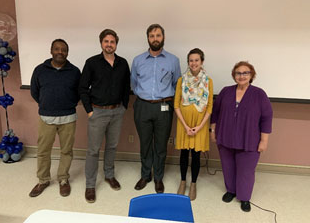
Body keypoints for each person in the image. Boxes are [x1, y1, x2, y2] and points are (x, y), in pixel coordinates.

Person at [210, 61, 273, 212]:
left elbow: (267, 117)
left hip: (249, 140)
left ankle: (244, 198)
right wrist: (213, 131)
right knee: (228, 166)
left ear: (251, 75)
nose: (242, 76)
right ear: (234, 75)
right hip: (225, 137)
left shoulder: (259, 94)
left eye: (245, 73)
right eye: (238, 73)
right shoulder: (226, 91)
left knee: (246, 171)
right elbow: (216, 113)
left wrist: (264, 141)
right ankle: (231, 191)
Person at [79, 29, 130, 203]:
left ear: (116, 43)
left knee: (112, 146)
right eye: (106, 41)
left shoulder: (123, 63)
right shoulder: (92, 63)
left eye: (112, 41)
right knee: (93, 150)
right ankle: (90, 185)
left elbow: (126, 86)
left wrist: (123, 107)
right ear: (101, 43)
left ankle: (109, 175)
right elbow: (83, 88)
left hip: (117, 111)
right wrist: (89, 110)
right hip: (97, 112)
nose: (109, 44)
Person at [131, 24, 181, 193]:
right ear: (148, 39)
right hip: (142, 106)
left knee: (160, 145)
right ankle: (145, 175)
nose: (155, 39)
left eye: (158, 35)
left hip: (164, 107)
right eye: (152, 36)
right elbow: (134, 83)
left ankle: (158, 177)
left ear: (163, 38)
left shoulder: (173, 60)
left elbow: (177, 84)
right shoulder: (138, 60)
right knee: (145, 144)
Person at [29, 39, 81, 197]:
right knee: (43, 151)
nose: (60, 52)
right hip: (46, 117)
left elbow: (80, 92)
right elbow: (34, 92)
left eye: (63, 49)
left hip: (68, 117)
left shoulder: (74, 71)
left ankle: (63, 179)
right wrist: (46, 105)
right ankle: (43, 180)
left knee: (66, 151)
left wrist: (69, 104)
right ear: (51, 51)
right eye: (57, 49)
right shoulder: (40, 70)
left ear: (67, 52)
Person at [174, 48, 213, 201]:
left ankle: (194, 183)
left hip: (200, 125)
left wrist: (200, 126)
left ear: (201, 61)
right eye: (191, 60)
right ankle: (183, 181)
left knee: (196, 156)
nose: (193, 63)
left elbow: (209, 107)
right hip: (183, 124)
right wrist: (185, 125)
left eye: (197, 60)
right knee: (184, 154)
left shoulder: (208, 81)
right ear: (188, 62)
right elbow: (176, 104)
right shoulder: (181, 80)